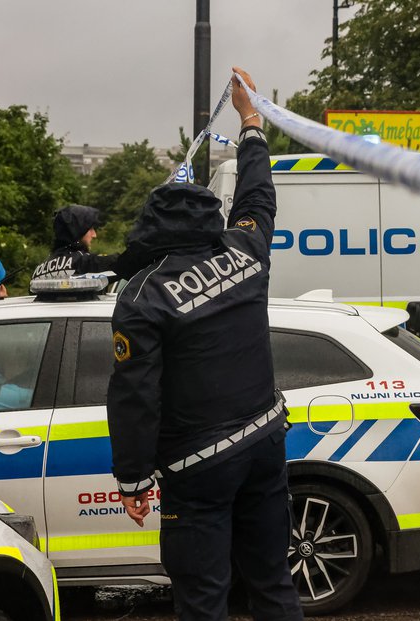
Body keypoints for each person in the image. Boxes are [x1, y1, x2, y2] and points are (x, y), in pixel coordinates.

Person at [106, 67, 302, 621]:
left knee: (202, 597)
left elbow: (134, 395)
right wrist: (251, 123)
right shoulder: (243, 251)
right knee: (271, 583)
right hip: (265, 442)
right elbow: (259, 199)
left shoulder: (142, 296)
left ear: (149, 231)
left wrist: (133, 478)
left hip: (198, 466)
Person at [31, 204, 119, 280]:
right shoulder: (83, 263)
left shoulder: (38, 271)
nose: (94, 235)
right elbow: (123, 263)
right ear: (77, 232)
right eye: (90, 229)